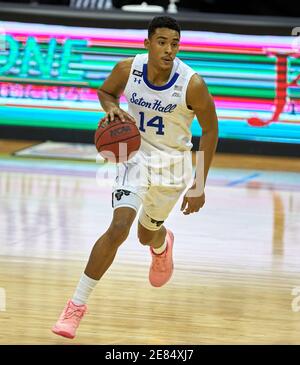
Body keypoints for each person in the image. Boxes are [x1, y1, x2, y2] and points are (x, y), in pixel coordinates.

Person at [51, 16, 218, 339]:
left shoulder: (192, 84)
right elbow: (105, 92)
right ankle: (75, 306)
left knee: (145, 235)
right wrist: (111, 108)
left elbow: (210, 130)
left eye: (174, 44)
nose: (169, 50)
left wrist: (199, 185)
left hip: (172, 166)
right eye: (162, 42)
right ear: (147, 43)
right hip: (135, 158)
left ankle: (161, 244)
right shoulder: (128, 69)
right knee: (118, 228)